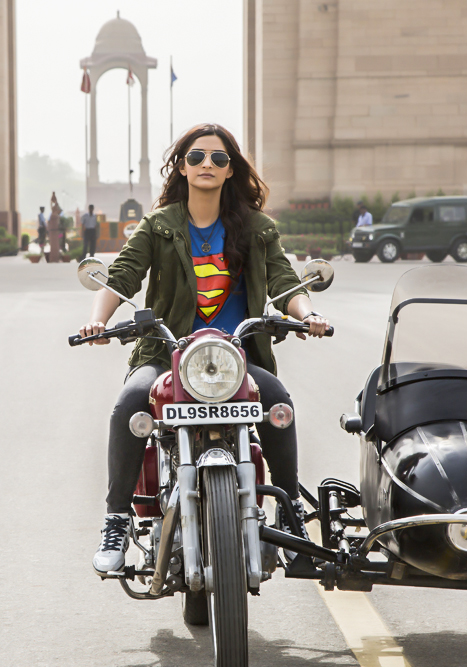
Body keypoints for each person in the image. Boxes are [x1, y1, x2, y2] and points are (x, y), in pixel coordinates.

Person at [79, 123, 331, 575]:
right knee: (130, 403)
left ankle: (290, 511)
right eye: (196, 157)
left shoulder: (257, 229)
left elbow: (284, 280)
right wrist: (98, 320)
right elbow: (121, 277)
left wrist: (307, 314)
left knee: (278, 403)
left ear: (231, 169)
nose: (206, 165)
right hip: (166, 353)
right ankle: (116, 519)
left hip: (236, 358)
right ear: (182, 167)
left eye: (218, 158)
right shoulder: (159, 226)